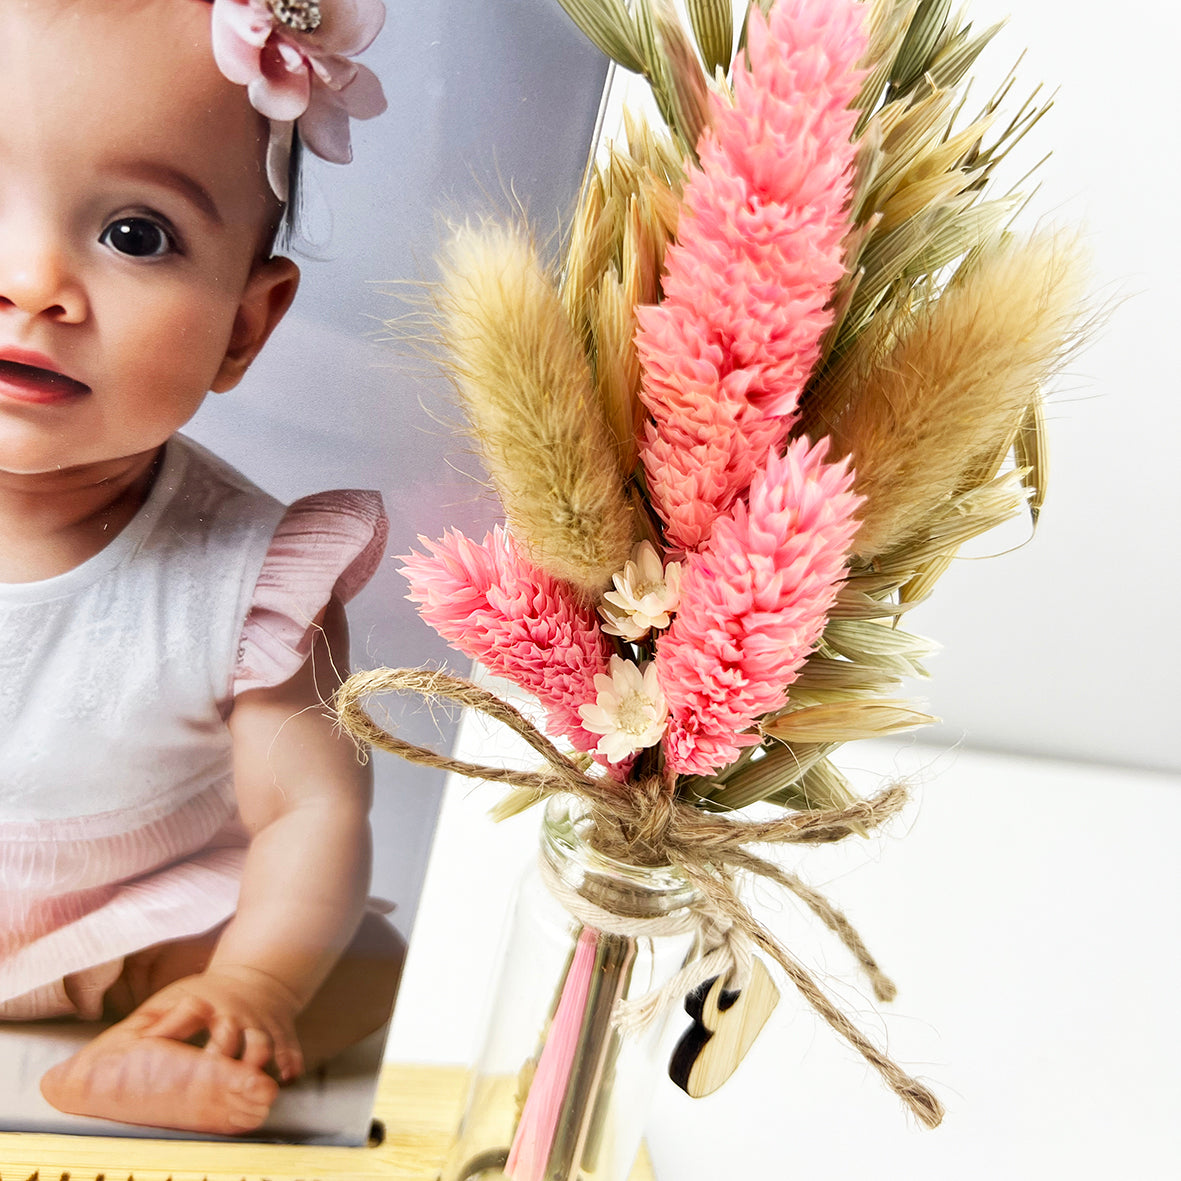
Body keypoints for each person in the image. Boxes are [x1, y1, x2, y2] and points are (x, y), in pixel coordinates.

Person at [0, 0, 403, 1137]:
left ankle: (181, 1041)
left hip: (129, 933)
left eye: (136, 234)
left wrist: (252, 983)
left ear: (245, 325)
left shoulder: (249, 571)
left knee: (342, 951)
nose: (33, 282)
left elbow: (309, 810)